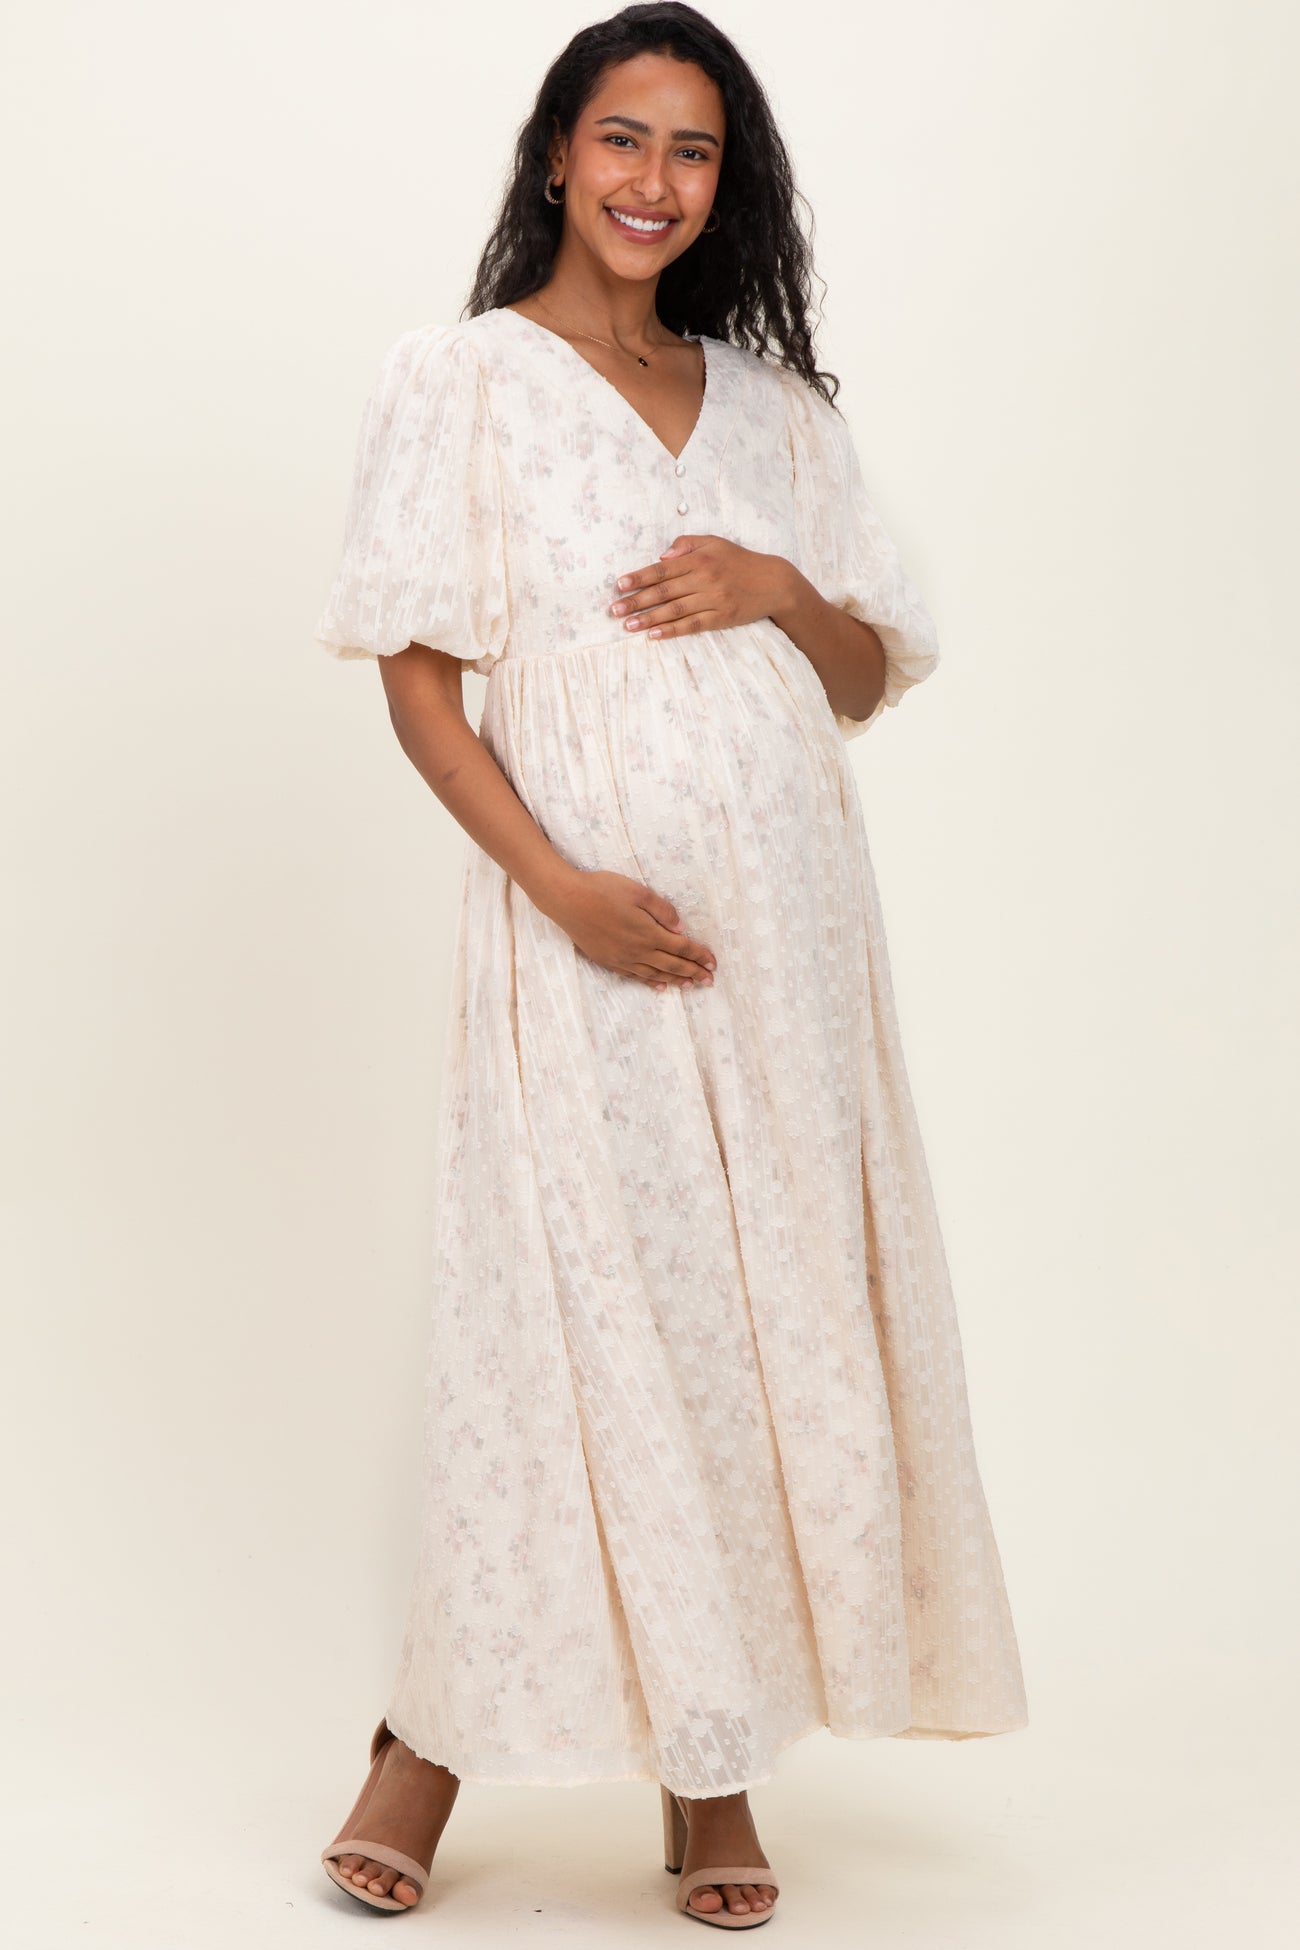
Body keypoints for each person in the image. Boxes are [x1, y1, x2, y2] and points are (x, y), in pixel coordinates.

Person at [312, 1, 1028, 1928]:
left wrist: (778, 585)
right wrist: (561, 885)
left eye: (694, 150)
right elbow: (420, 684)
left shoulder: (776, 412)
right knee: (568, 1316)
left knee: (744, 1318)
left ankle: (713, 1770)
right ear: (559, 154)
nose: (654, 181)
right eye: (623, 139)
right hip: (590, 933)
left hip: (791, 951)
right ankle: (423, 1746)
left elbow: (861, 674)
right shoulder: (462, 380)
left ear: (730, 185)